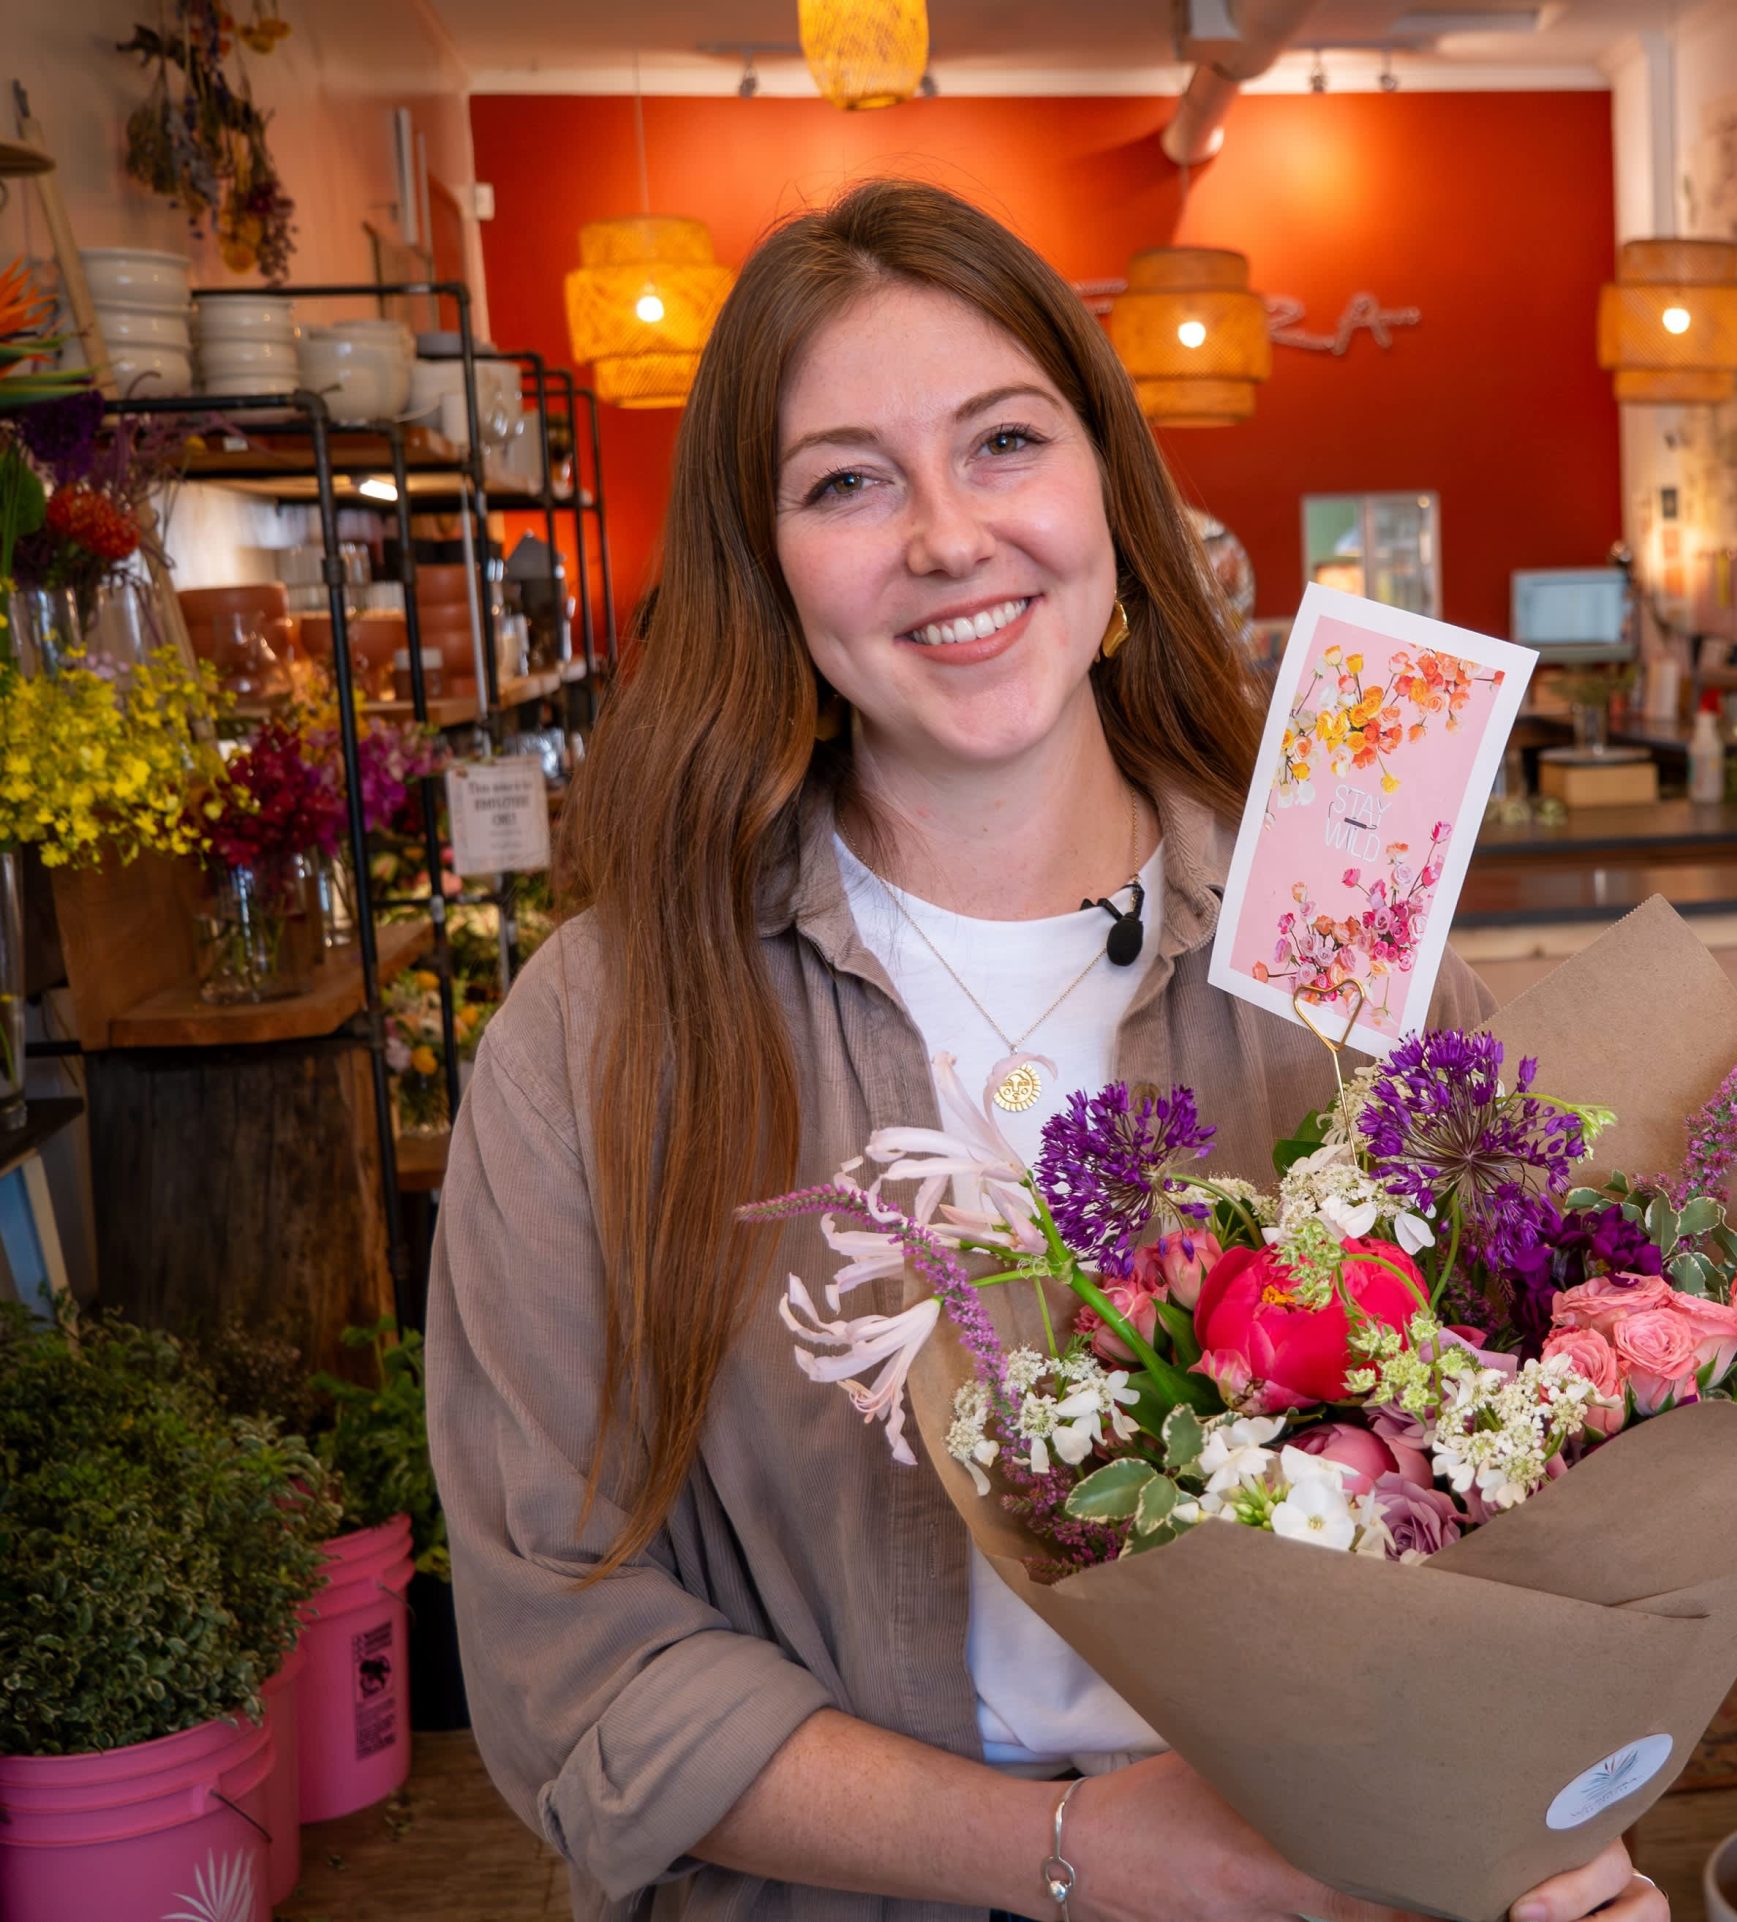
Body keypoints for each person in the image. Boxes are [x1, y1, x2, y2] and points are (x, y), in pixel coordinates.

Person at [425, 179, 1668, 1922]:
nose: (945, 536)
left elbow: (1526, 1482)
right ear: (764, 565)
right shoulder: (606, 1034)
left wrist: (1536, 1824)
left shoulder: (1348, 938)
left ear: (1107, 483)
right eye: (847, 479)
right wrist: (1075, 1855)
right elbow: (569, 1665)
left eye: (1003, 442)